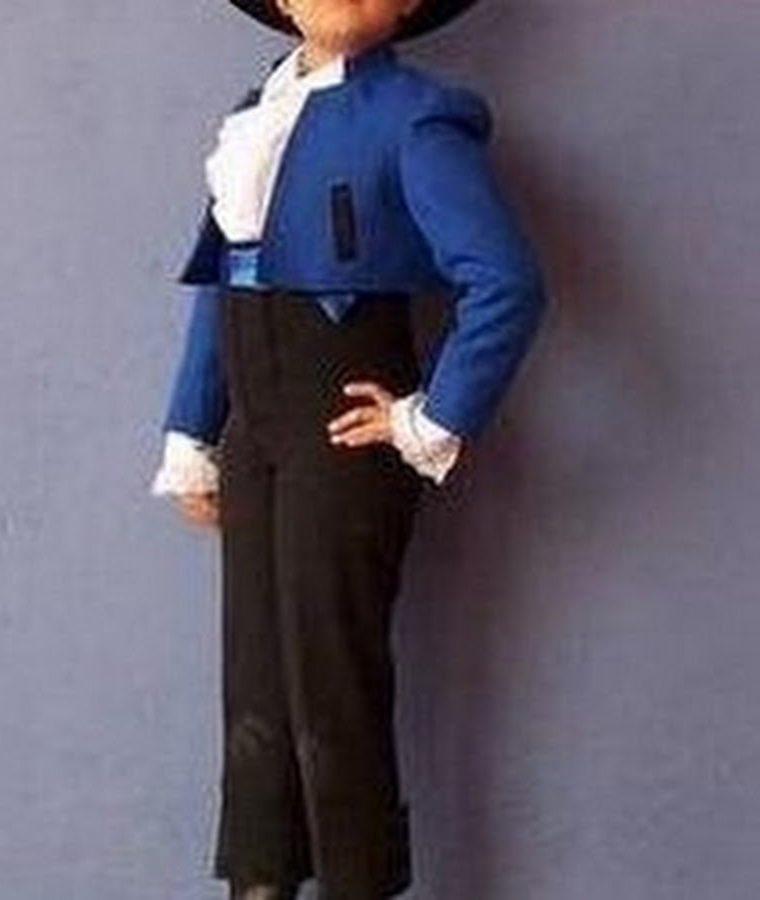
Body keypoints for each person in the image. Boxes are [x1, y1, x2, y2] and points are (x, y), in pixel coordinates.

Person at [150, 1, 548, 897]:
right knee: (254, 689)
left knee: (332, 689)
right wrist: (191, 432)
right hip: (252, 423)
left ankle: (356, 883)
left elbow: (506, 282)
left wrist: (429, 417)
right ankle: (259, 883)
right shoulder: (254, 114)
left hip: (337, 415)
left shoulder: (416, 116)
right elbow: (221, 288)